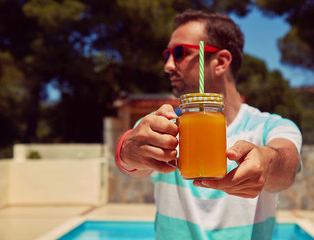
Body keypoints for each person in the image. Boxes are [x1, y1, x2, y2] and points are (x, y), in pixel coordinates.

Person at [116, 9, 302, 240]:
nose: (168, 65)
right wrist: (128, 149)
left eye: (180, 53)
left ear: (221, 61)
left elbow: (288, 167)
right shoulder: (162, 125)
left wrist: (268, 161)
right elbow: (133, 163)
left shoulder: (270, 126)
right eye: (167, 55)